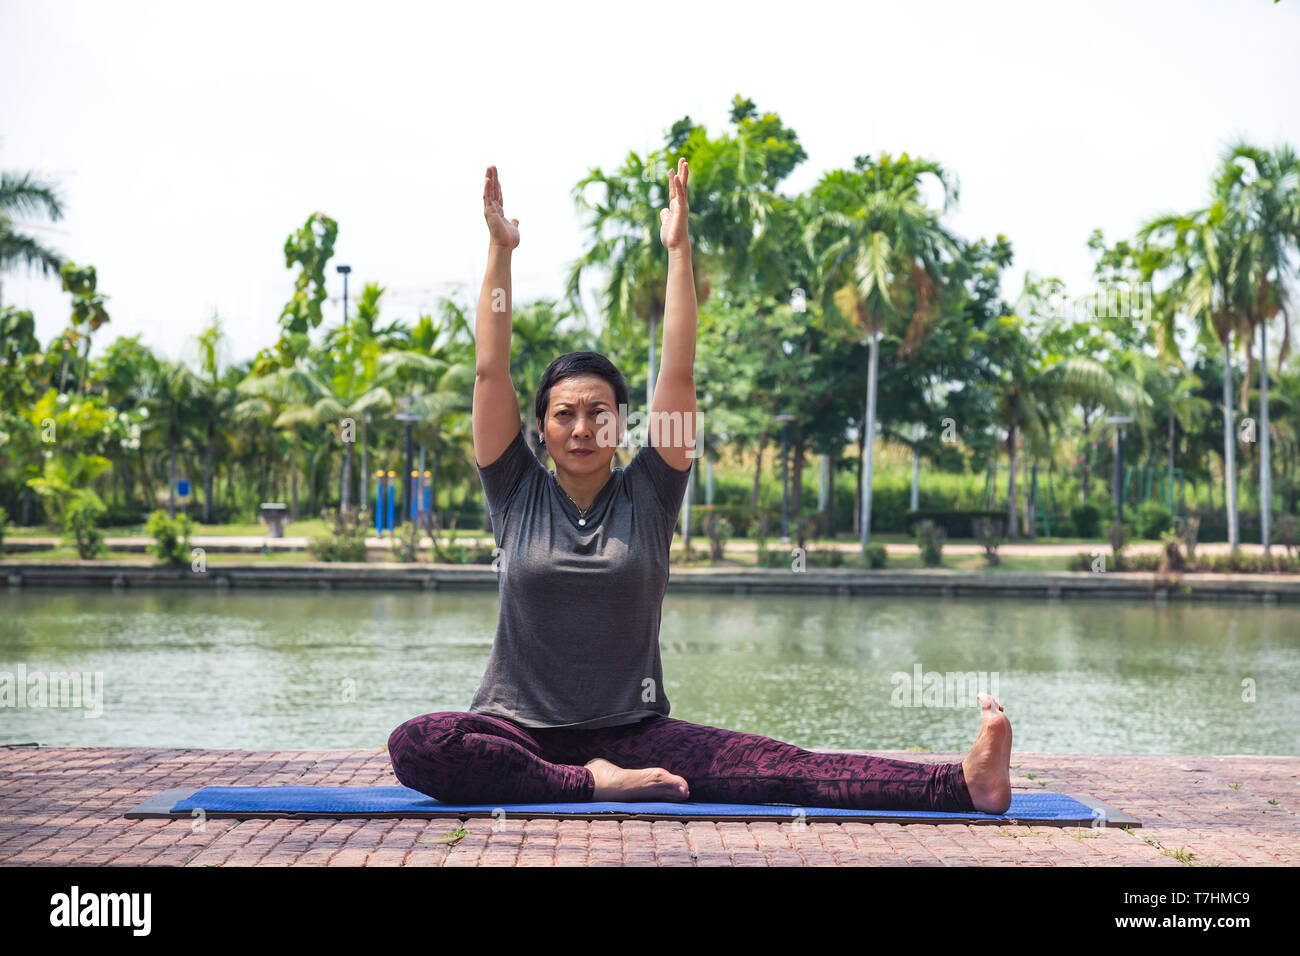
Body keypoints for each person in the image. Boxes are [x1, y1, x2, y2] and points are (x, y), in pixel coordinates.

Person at [386, 161, 1013, 813]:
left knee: (782, 770)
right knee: (420, 744)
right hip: (515, 734)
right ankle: (591, 784)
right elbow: (491, 372)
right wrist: (499, 249)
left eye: (598, 412)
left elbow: (678, 365)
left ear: (623, 424)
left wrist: (679, 250)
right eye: (563, 413)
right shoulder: (515, 491)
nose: (581, 427)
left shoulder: (651, 492)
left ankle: (962, 782)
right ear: (538, 427)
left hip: (634, 731)